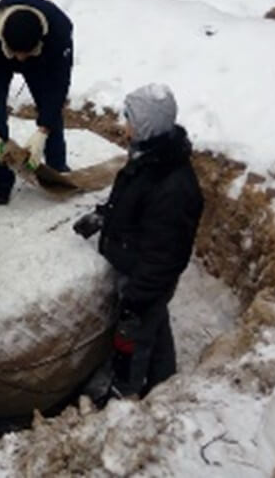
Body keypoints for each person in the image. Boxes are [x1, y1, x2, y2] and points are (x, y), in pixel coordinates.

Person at [73, 84, 203, 400]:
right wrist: (104, 216)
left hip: (145, 280)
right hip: (139, 269)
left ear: (145, 125)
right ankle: (164, 380)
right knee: (155, 327)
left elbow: (165, 253)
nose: (124, 123)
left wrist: (138, 297)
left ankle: (125, 394)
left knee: (131, 341)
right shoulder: (150, 158)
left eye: (129, 117)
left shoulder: (173, 187)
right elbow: (132, 202)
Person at [0, 0, 74, 205]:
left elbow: (58, 85)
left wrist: (43, 130)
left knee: (49, 107)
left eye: (26, 54)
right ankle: (3, 178)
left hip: (42, 58)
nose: (20, 59)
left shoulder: (59, 31)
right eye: (16, 54)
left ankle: (57, 170)